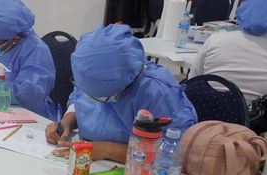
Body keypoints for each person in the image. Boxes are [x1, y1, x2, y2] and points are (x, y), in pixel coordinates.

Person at [45, 24, 198, 163]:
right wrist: (68, 120)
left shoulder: (157, 93)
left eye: (104, 96)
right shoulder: (89, 68)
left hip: (134, 173)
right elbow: (79, 99)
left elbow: (172, 153)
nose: (95, 99)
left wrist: (106, 150)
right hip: (90, 159)